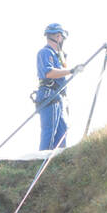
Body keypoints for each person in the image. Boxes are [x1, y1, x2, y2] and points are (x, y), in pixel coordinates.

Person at [35, 23, 72, 152]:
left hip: (57, 96)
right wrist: (70, 71)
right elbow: (48, 72)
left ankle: (57, 162)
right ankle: (41, 161)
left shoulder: (57, 56)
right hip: (49, 94)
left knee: (62, 131)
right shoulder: (45, 52)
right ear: (58, 36)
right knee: (50, 131)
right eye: (61, 37)